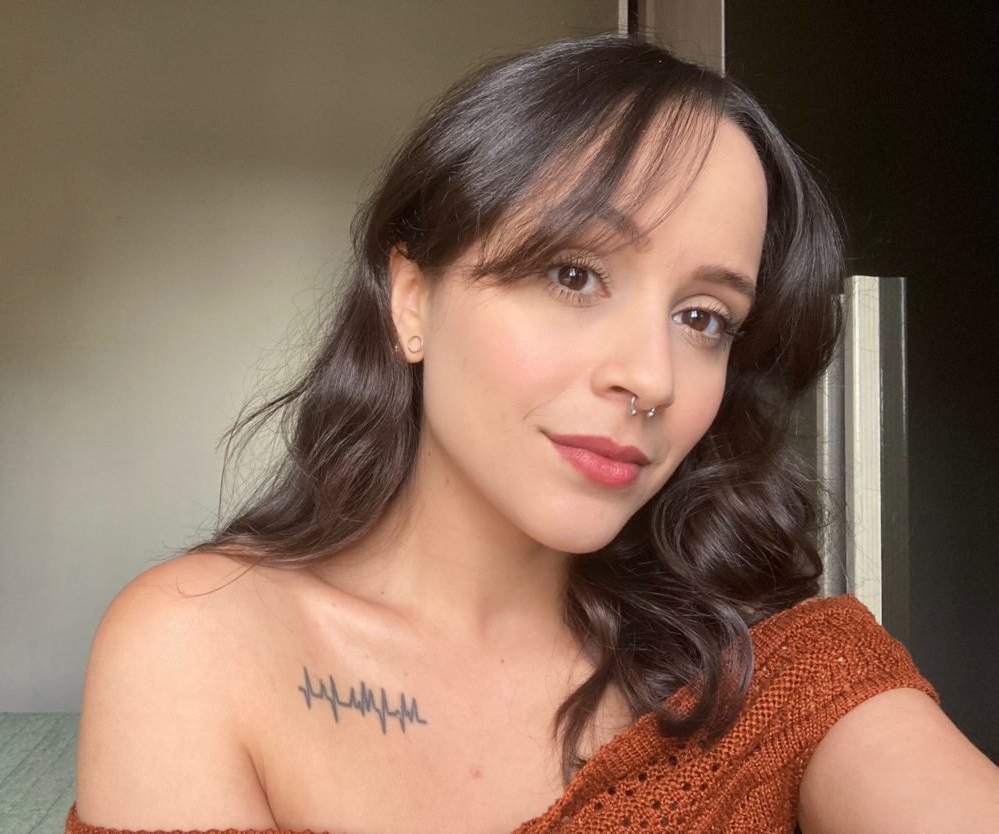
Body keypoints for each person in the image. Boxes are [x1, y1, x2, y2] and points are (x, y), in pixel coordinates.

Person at [65, 34, 999, 834]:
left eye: (704, 318)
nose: (651, 378)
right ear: (412, 297)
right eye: (573, 275)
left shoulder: (788, 679)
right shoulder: (202, 648)